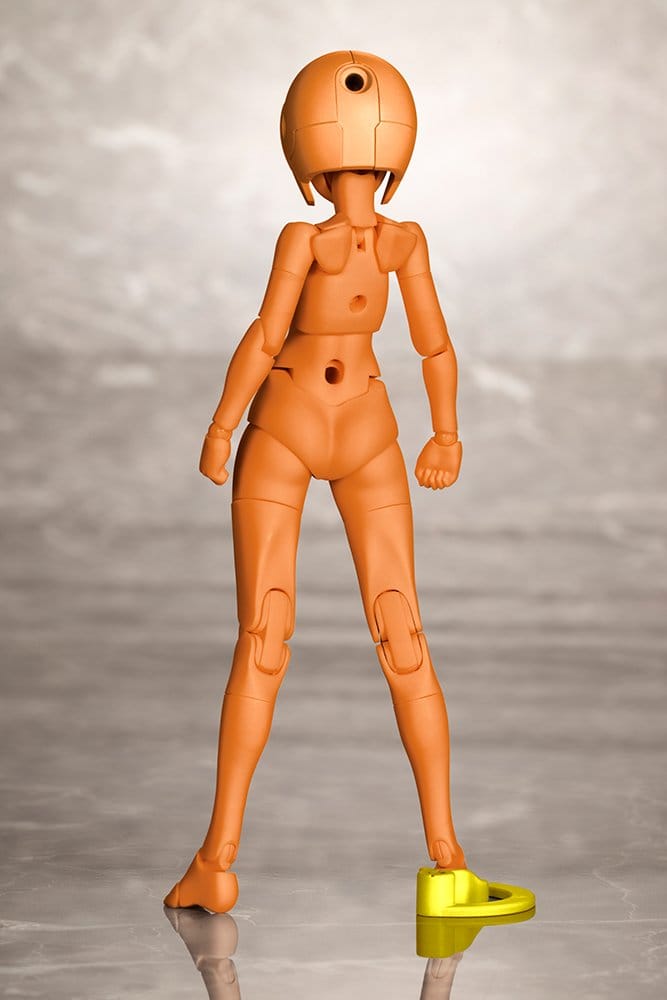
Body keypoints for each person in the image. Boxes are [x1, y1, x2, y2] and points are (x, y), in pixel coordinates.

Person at [165, 50, 465, 913]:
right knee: (381, 635)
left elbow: (270, 335)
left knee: (288, 637)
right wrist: (443, 431)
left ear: (302, 149)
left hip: (312, 424)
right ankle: (444, 859)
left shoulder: (343, 240)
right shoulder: (388, 241)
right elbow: (429, 345)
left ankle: (220, 862)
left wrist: (224, 424)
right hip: (341, 425)